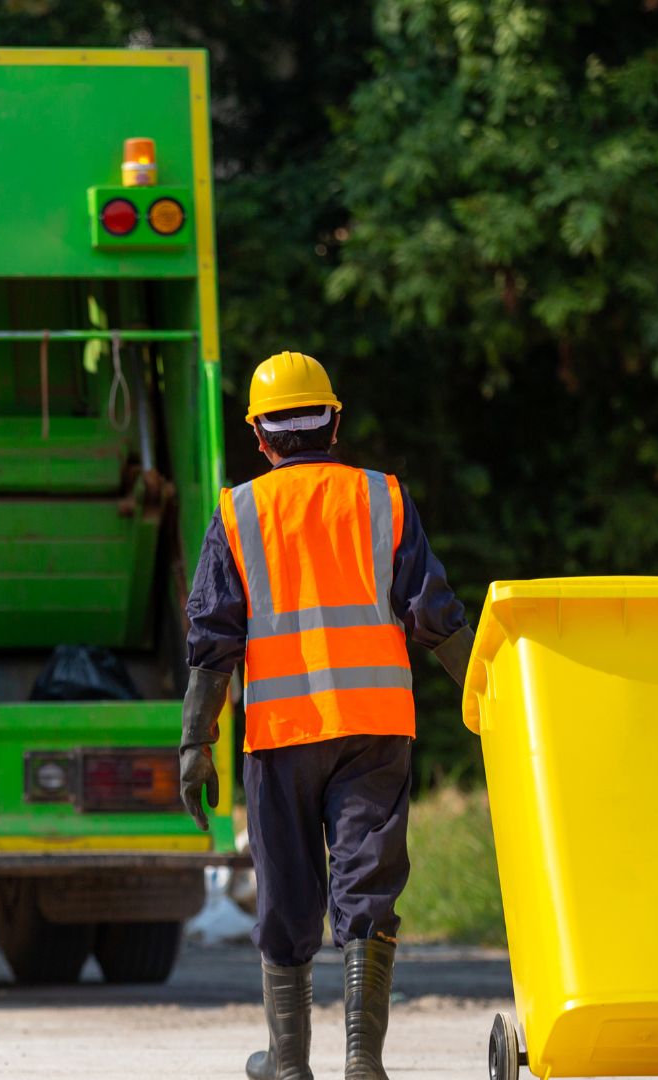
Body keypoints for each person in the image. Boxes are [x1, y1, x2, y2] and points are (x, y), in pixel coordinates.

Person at [179, 351, 473, 1080]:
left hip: (280, 735)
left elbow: (213, 640)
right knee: (367, 884)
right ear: (334, 423)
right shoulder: (384, 498)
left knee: (286, 894)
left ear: (260, 435)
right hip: (376, 725)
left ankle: (286, 1063)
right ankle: (361, 1061)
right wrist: (484, 696)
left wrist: (195, 742)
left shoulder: (237, 511)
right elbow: (433, 615)